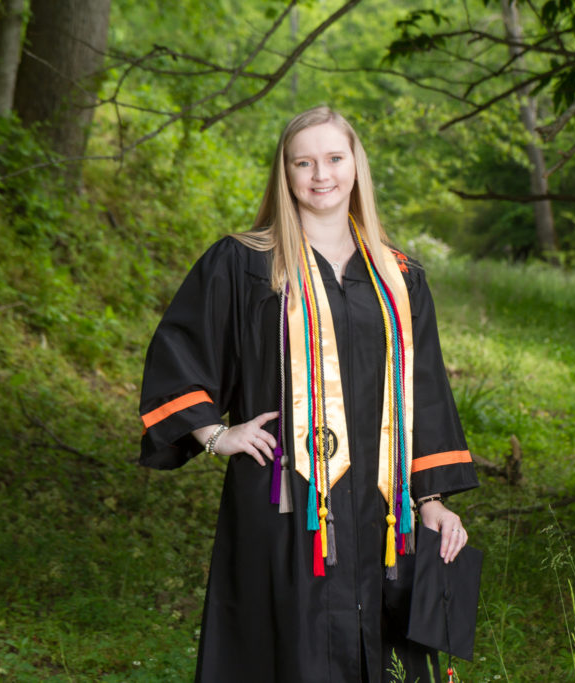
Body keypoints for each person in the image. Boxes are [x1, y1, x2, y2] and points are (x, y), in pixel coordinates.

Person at [138, 105, 478, 683]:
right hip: (286, 503)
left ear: (356, 166)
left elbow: (425, 393)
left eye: (334, 158)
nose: (321, 175)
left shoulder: (399, 276)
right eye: (304, 162)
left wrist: (432, 501)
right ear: (286, 173)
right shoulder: (246, 263)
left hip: (380, 513)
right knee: (284, 649)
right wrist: (216, 434)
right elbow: (181, 352)